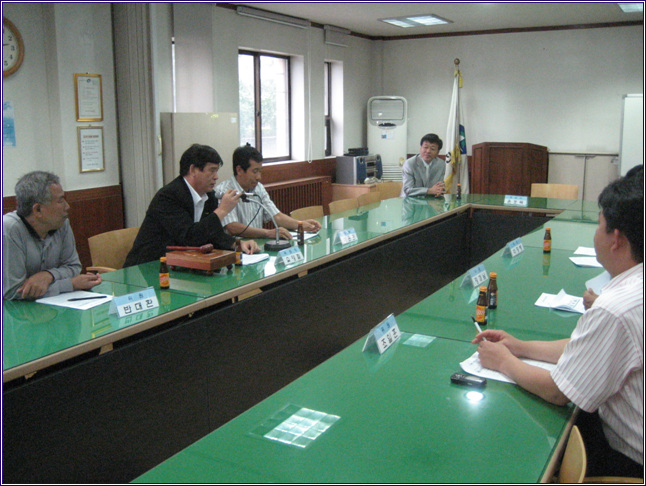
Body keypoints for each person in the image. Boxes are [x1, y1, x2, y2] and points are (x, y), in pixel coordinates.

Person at [473, 173, 643, 478]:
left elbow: (556, 392)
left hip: (629, 460)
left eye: (599, 224)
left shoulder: (615, 308)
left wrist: (504, 361)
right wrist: (521, 347)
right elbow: (589, 349)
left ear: (616, 239)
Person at [124, 144, 259, 267]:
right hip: (149, 266)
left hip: (182, 265)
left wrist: (237, 244)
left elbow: (213, 234)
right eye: (212, 170)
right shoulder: (168, 197)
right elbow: (189, 238)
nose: (216, 176)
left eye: (216, 171)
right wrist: (222, 210)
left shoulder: (209, 196)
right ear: (193, 170)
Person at [3, 171, 102, 300]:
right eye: (60, 201)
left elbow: (73, 267)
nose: (67, 206)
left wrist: (48, 275)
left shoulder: (61, 223)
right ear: (38, 210)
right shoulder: (9, 229)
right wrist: (70, 284)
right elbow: (13, 292)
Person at [215, 144, 322, 239]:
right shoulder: (224, 191)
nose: (259, 177)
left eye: (260, 171)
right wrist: (267, 233)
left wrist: (301, 224)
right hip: (236, 249)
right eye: (255, 171)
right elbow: (232, 227)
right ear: (239, 170)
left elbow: (276, 216)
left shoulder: (259, 188)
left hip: (257, 245)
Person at [582, 164, 642, 310]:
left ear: (615, 239)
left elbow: (616, 312)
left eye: (599, 224)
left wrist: (605, 307)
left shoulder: (610, 310)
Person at [400, 133, 446, 198]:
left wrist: (439, 190)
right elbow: (407, 190)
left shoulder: (441, 164)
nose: (428, 151)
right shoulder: (409, 163)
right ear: (420, 148)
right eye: (425, 147)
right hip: (410, 201)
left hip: (430, 201)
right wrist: (429, 191)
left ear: (438, 152)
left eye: (432, 149)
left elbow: (440, 186)